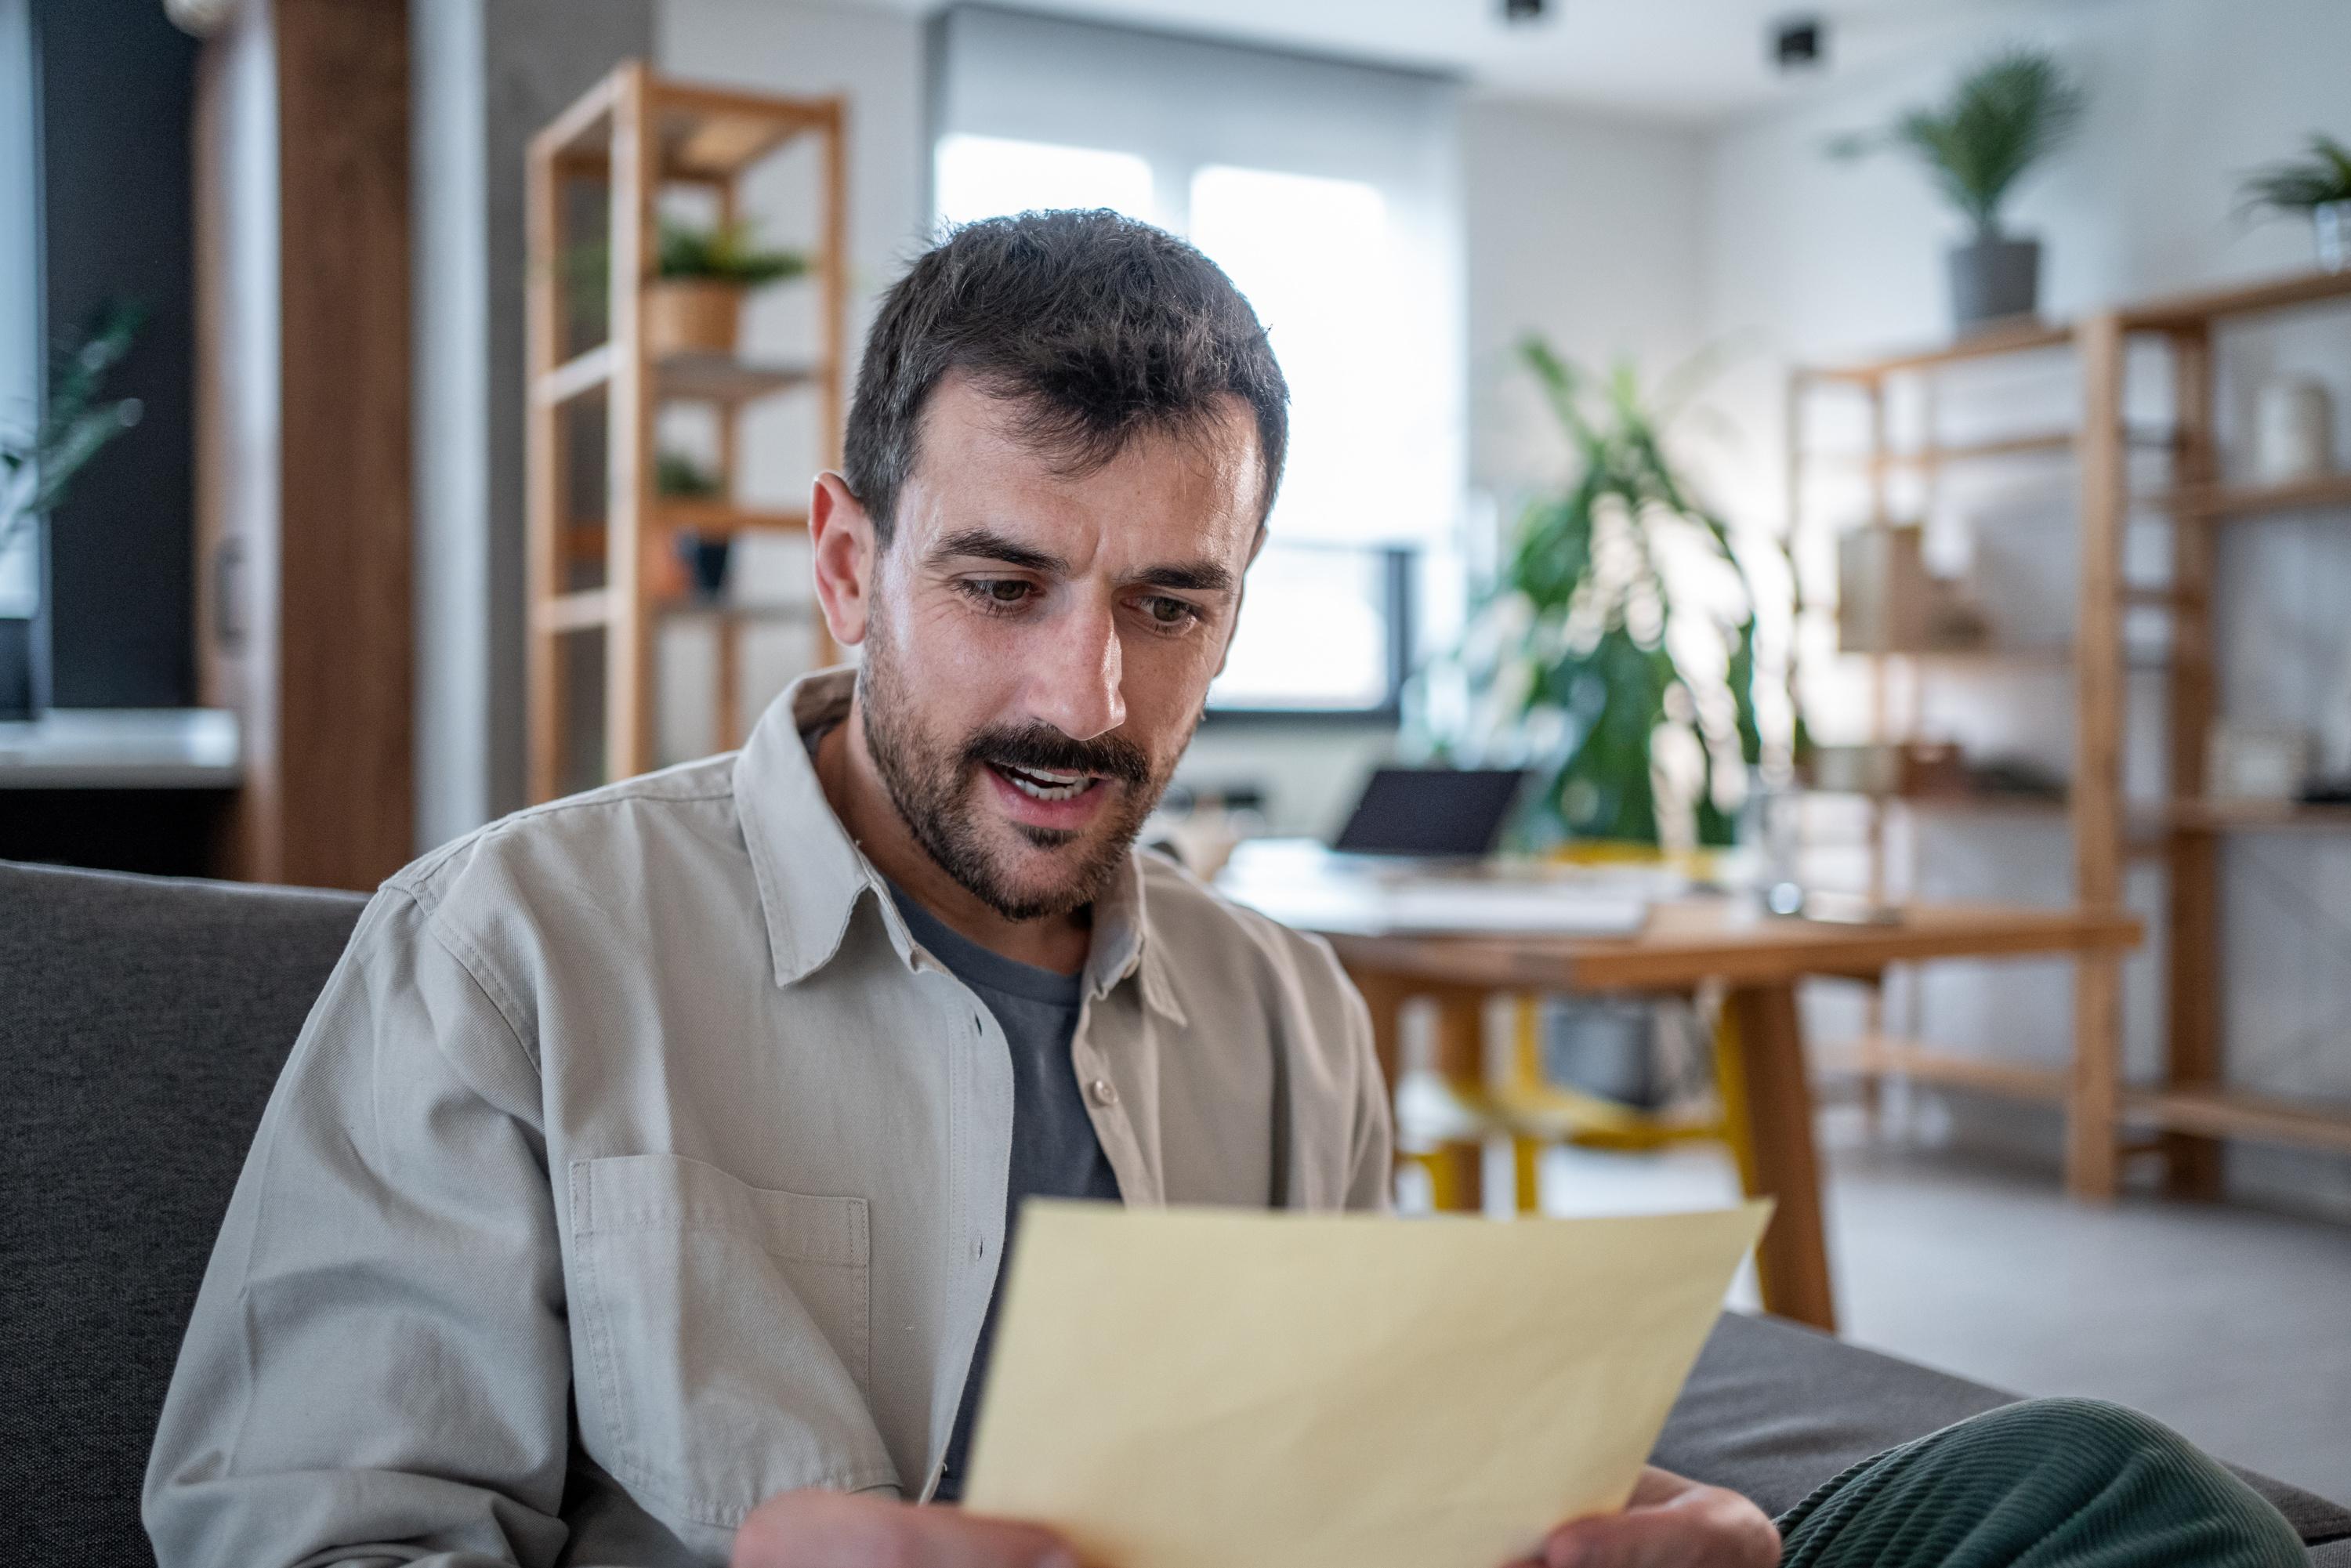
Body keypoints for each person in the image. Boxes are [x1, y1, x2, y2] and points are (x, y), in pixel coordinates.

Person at [146, 211, 2306, 1568]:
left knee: (2105, 1485)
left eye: (1174, 605)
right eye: (1001, 585)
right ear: (845, 563)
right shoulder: (513, 948)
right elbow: (294, 1534)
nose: (1087, 696)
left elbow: (1364, 1468)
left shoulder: (1285, 1009)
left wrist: (1626, 1520)